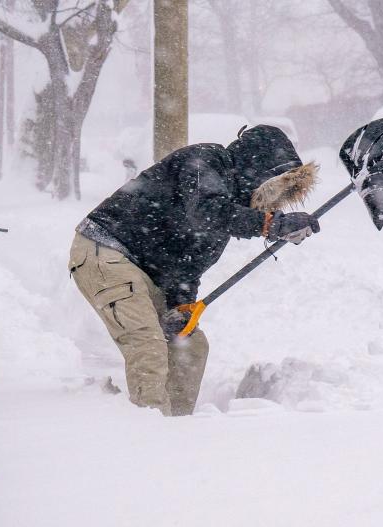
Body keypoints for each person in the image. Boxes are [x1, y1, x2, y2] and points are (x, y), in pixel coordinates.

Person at [68, 125, 319, 416]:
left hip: (145, 271)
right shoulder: (206, 161)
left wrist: (180, 307)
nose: (272, 202)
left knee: (189, 346)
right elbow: (206, 211)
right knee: (147, 345)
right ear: (257, 169)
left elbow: (186, 264)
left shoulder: (227, 206)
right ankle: (146, 432)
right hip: (107, 250)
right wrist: (270, 224)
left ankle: (178, 427)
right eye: (272, 189)